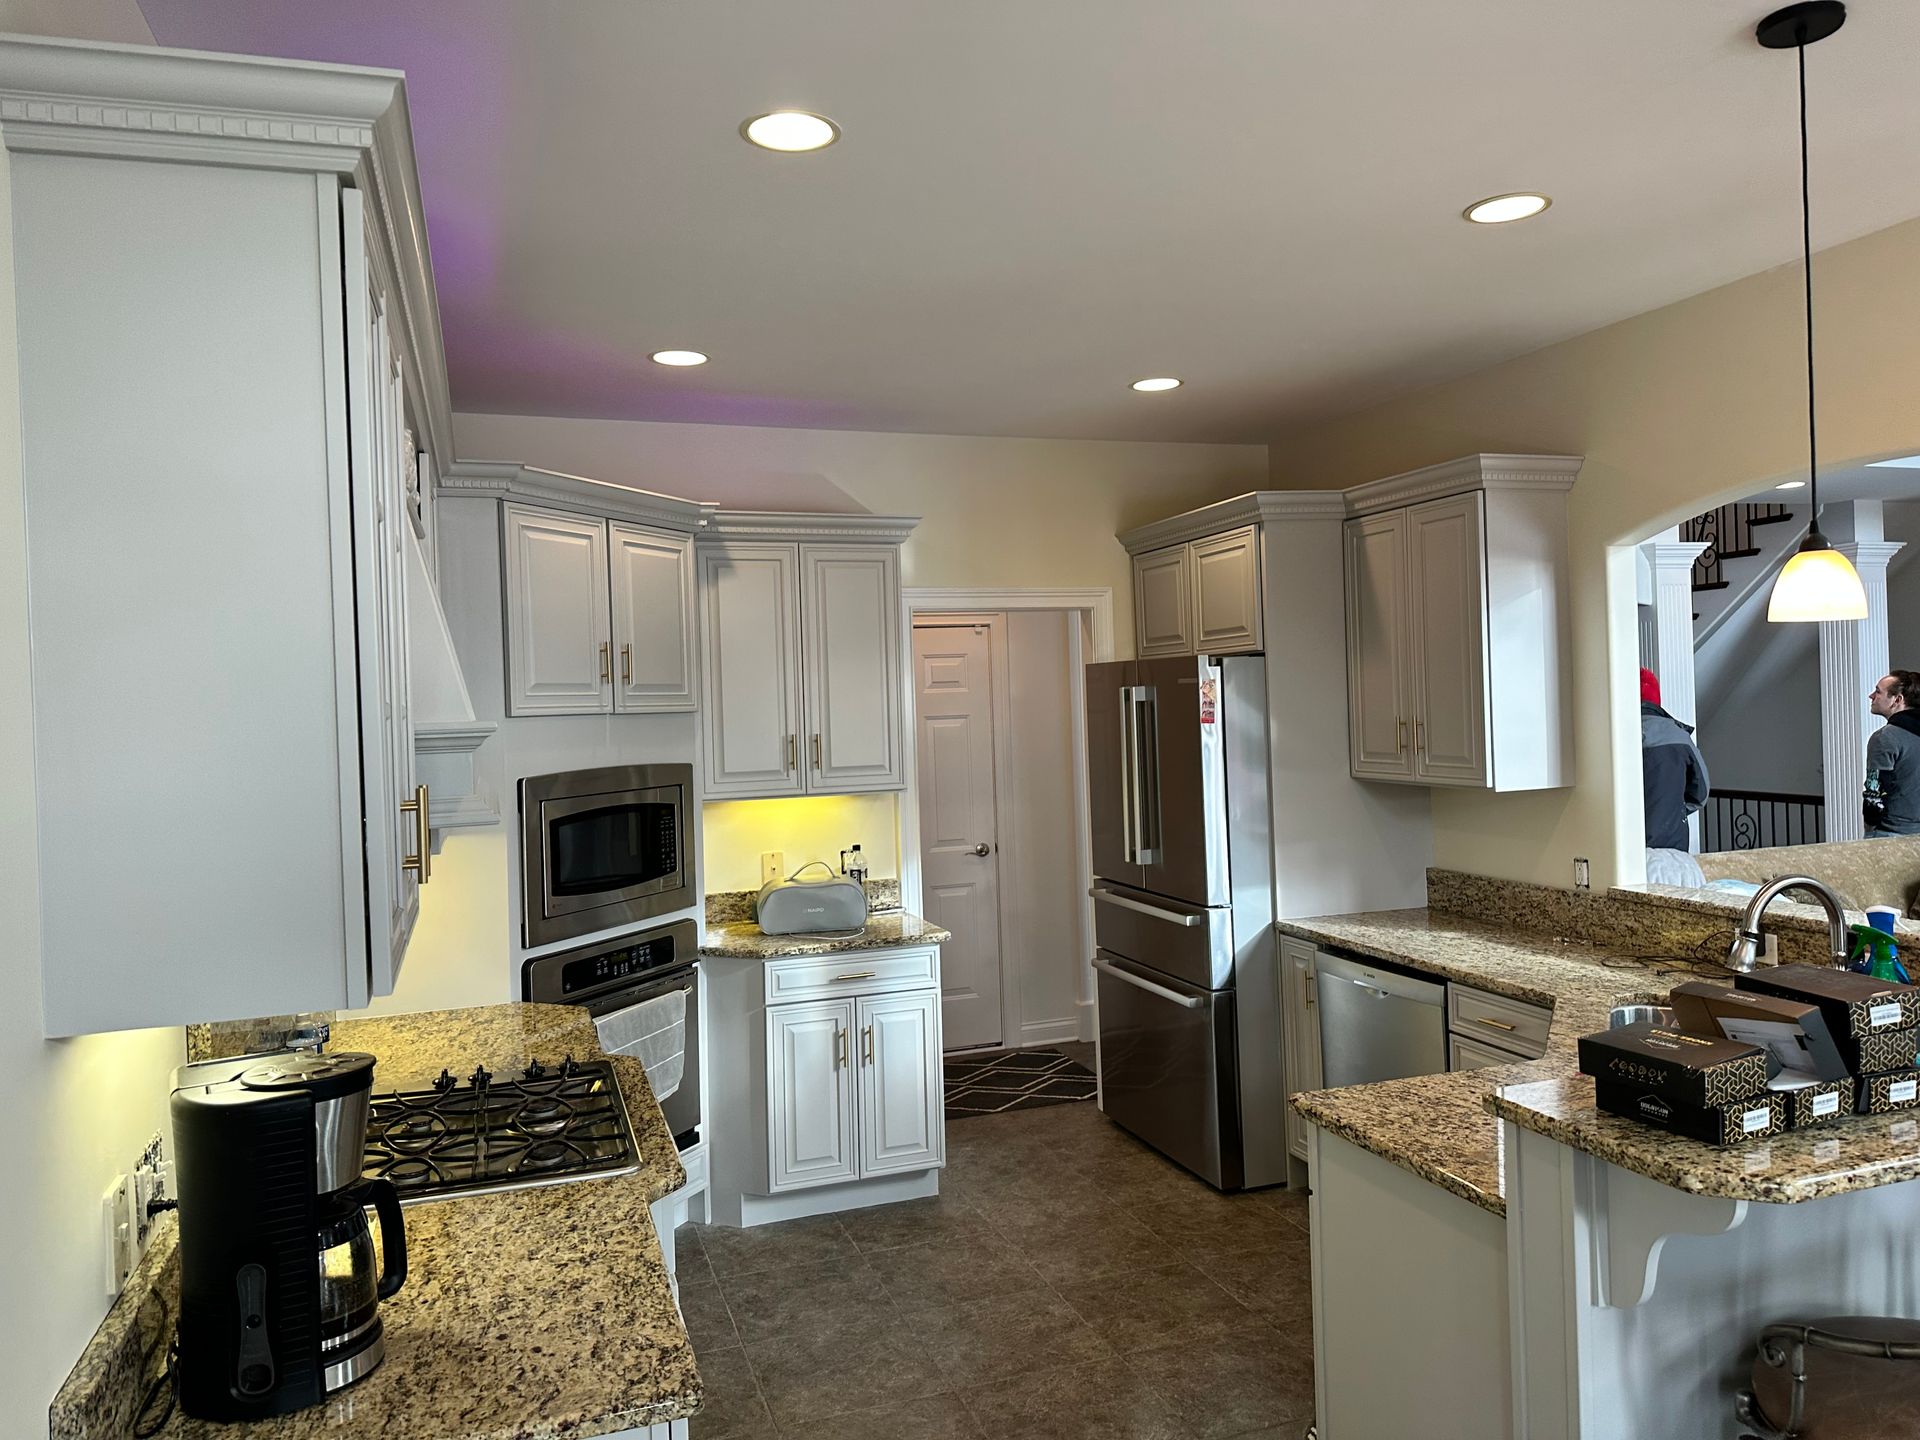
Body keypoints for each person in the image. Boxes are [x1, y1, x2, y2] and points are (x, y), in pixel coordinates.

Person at [1641, 668, 1710, 852]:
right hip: (1674, 843)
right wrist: (1673, 810)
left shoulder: (1613, 739)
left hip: (1625, 846)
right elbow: (1701, 793)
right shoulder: (1680, 737)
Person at [1864, 671, 1920, 836]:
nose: (1871, 696)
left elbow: (1874, 794)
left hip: (1892, 832)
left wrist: (1870, 829)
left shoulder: (1885, 737)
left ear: (1897, 700)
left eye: (1878, 692)